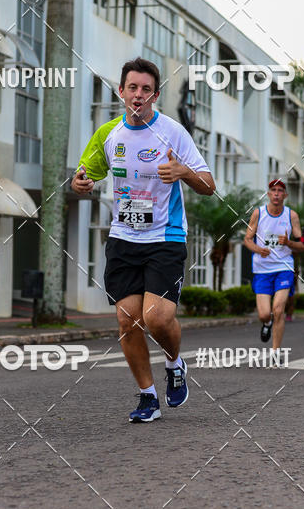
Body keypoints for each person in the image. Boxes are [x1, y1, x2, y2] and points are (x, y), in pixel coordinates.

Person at [71, 57, 215, 422]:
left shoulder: (173, 133)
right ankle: (148, 398)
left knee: (157, 318)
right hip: (123, 237)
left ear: (156, 95)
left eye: (146, 89)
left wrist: (183, 172)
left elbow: (208, 185)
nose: (139, 95)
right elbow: (85, 176)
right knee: (127, 321)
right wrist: (80, 184)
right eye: (132, 88)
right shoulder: (108, 135)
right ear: (121, 91)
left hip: (165, 237)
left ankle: (175, 363)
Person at [243, 180, 304, 364]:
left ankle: (275, 352)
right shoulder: (258, 213)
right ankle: (267, 323)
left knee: (278, 309)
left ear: (285, 195)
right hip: (262, 270)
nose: (276, 193)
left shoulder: (291, 215)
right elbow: (247, 239)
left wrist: (288, 243)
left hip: (283, 268)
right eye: (273, 190)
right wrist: (258, 249)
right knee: (264, 314)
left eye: (280, 191)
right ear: (268, 194)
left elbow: (302, 245)